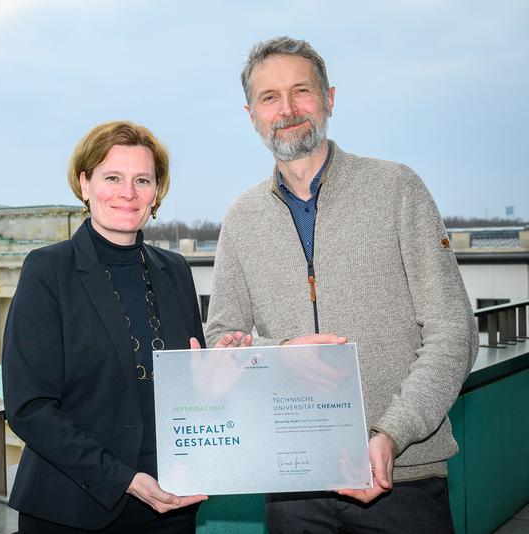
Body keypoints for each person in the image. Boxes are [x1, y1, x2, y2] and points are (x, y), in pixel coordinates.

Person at [205, 36, 478, 533]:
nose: (287, 109)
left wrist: (392, 434)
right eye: (270, 97)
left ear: (329, 98)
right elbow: (223, 339)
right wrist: (285, 350)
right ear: (251, 114)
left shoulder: (397, 189)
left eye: (301, 91)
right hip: (292, 484)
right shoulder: (241, 217)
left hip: (403, 479)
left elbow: (452, 331)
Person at [3, 121, 209, 533]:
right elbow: (29, 407)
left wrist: (220, 372)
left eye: (142, 180)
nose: (127, 192)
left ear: (156, 193)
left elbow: (192, 387)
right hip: (74, 509)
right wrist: (123, 479)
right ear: (84, 184)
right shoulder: (47, 270)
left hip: (170, 506)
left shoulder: (176, 272)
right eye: (112, 177)